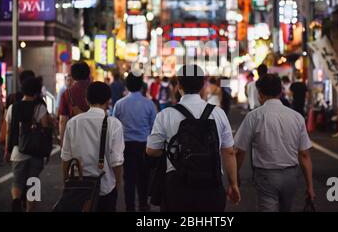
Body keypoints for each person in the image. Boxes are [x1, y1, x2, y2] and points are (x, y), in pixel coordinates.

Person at [146, 64, 241, 212]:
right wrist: (233, 184)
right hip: (211, 183)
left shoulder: (166, 115)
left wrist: (170, 148)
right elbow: (229, 152)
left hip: (177, 186)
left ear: (179, 85)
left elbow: (151, 150)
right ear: (203, 85)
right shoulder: (218, 113)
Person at [234, 74, 314, 212]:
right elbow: (304, 155)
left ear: (260, 93)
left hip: (266, 175)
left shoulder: (254, 116)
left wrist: (234, 176)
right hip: (291, 175)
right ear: (280, 91)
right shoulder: (297, 117)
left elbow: (240, 151)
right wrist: (310, 187)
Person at [61, 82, 125, 212]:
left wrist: (66, 182)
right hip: (106, 187)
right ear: (108, 100)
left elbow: (65, 158)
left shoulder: (73, 123)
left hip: (78, 188)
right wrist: (117, 184)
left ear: (86, 99)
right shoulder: (114, 124)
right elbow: (116, 161)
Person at [5, 76, 51, 212]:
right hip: (36, 152)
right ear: (36, 91)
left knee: (17, 181)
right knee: (33, 182)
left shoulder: (12, 107)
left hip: (18, 151)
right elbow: (45, 129)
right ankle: (30, 209)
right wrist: (47, 150)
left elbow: (8, 131)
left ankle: (16, 201)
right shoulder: (40, 107)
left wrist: (7, 150)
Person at [113, 72, 157, 212]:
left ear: (127, 85)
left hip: (126, 146)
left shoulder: (119, 104)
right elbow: (154, 127)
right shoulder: (149, 104)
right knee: (143, 177)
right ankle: (143, 204)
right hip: (144, 145)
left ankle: (129, 206)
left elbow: (115, 125)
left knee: (129, 179)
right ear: (141, 86)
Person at [58, 62, 91, 145]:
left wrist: (62, 142)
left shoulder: (67, 93)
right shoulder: (95, 89)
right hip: (94, 135)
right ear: (88, 73)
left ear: (72, 76)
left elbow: (63, 121)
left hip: (75, 137)